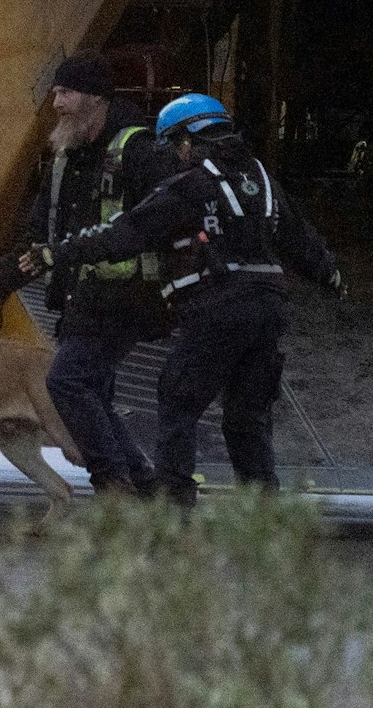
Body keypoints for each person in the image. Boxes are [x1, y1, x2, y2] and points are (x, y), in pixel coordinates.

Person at [25, 93, 344, 505]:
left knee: (178, 399)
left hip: (218, 308)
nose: (175, 155)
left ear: (189, 140)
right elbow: (301, 238)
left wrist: (59, 252)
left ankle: (173, 505)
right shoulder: (263, 179)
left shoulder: (192, 184)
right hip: (270, 310)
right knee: (247, 417)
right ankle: (264, 514)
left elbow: (129, 231)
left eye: (175, 145)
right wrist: (331, 275)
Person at [0, 51, 167, 495]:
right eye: (55, 91)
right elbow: (38, 236)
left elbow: (162, 222)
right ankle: (142, 481)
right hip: (82, 298)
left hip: (125, 296)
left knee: (68, 381)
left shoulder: (139, 150)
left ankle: (111, 481)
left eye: (66, 92)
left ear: (97, 98)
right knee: (93, 392)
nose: (56, 102)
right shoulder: (65, 158)